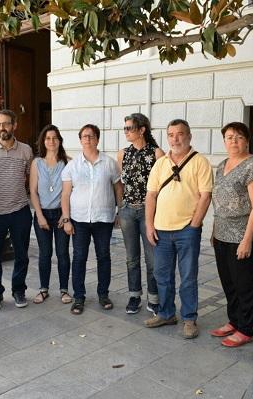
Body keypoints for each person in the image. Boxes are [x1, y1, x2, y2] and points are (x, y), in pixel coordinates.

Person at [144, 119, 213, 339]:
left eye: (180, 134)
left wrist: (194, 225)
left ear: (189, 136)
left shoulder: (200, 161)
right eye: (171, 134)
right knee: (162, 275)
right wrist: (149, 224)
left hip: (186, 230)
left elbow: (205, 195)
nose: (175, 138)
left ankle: (189, 318)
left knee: (188, 276)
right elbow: (151, 195)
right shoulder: (160, 164)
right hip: (161, 230)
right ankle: (166, 313)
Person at [210, 122, 253, 347]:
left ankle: (245, 328)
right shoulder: (222, 165)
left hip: (243, 235)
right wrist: (214, 230)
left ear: (247, 140)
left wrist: (246, 240)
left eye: (239, 137)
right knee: (229, 282)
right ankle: (233, 321)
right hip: (222, 233)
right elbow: (218, 201)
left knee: (245, 283)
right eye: (229, 137)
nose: (233, 141)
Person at [61, 124, 122, 315]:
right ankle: (79, 297)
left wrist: (119, 211)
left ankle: (103, 294)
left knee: (104, 256)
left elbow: (118, 188)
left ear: (97, 139)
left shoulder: (110, 163)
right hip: (79, 220)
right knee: (79, 257)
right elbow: (65, 194)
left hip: (103, 219)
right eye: (84, 136)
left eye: (91, 136)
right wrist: (66, 219)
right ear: (80, 140)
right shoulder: (72, 166)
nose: (87, 139)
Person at [0, 109, 33, 311]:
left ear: (14, 125)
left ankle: (19, 290)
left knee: (21, 254)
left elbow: (29, 177)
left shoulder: (26, 150)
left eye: (6, 124)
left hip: (20, 210)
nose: (2, 128)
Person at [117, 113, 164, 314]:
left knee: (152, 258)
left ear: (142, 129)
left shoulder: (157, 153)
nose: (126, 131)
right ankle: (134, 295)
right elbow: (121, 183)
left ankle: (153, 299)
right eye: (125, 128)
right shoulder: (122, 154)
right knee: (131, 257)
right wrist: (120, 208)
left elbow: (162, 187)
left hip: (148, 211)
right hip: (128, 210)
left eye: (130, 128)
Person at [29, 124, 73, 305]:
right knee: (45, 253)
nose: (51, 141)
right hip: (43, 213)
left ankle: (64, 290)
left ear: (60, 140)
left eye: (54, 138)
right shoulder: (36, 163)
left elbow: (71, 191)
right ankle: (43, 289)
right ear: (43, 141)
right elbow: (32, 191)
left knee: (63, 253)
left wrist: (66, 215)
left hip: (62, 214)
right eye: (47, 138)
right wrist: (39, 215)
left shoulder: (68, 162)